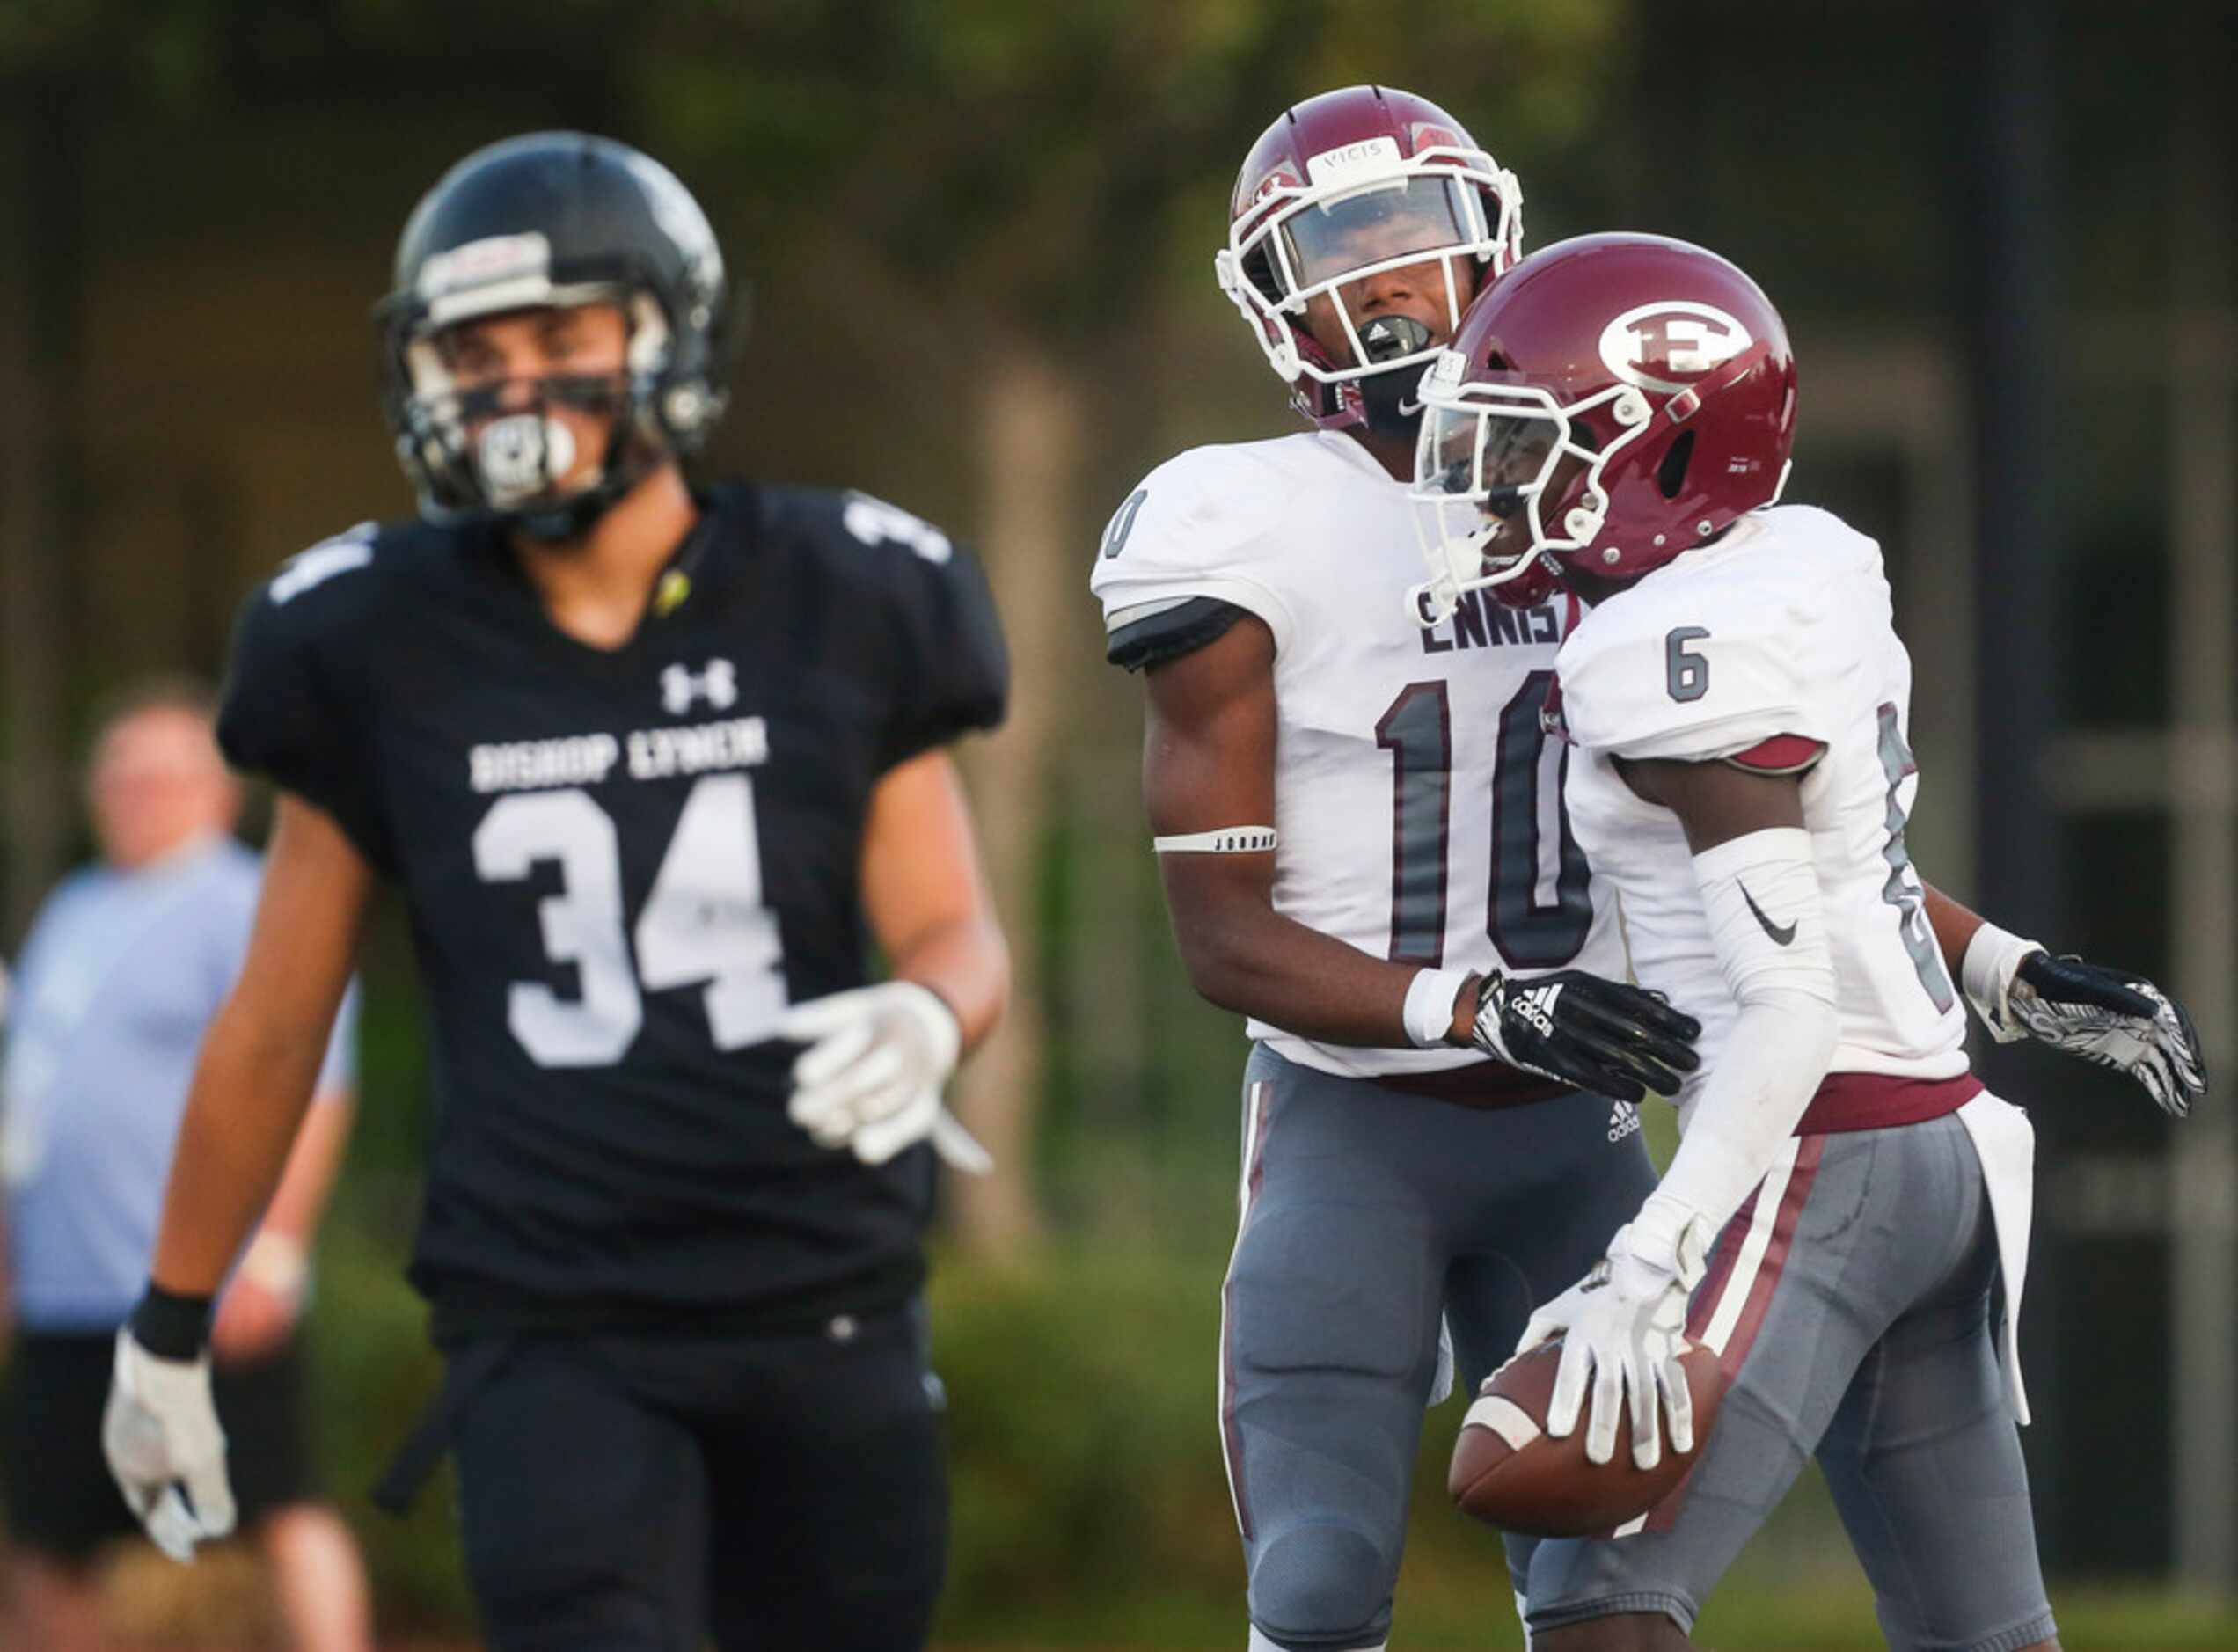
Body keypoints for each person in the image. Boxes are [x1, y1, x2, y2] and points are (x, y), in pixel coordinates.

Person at [99, 132, 1012, 1652]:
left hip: (822, 1288)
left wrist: (932, 1014)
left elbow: (950, 926)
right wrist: (169, 1323)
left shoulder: (836, 590)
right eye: (475, 347)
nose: (514, 383)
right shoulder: (366, 635)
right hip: (550, 1319)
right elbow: (272, 1021)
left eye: (560, 337)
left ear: (666, 338)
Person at [1408, 230, 2205, 1650]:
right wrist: (2004, 968)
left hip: (1820, 1145)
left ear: (1658, 454)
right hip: (1936, 1147)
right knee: (1979, 1630)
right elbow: (1854, 870)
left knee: (1593, 1589)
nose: (1501, 487)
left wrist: (1645, 1264)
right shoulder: (1799, 562)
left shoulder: (1668, 652)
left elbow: (1780, 1007)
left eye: (1538, 448)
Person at [1089, 86, 1706, 1652]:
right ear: (1269, 299)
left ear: (1491, 238)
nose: (1382, 287)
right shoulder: (1239, 525)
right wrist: (1480, 1005)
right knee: (1312, 1588)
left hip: (1577, 1138)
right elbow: (1221, 935)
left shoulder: (1602, 492)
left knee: (1620, 1612)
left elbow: (1767, 814)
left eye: (1411, 241)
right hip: (1345, 1120)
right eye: (1333, 253)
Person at [2, 683, 372, 1652]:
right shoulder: (74, 908)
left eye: (162, 776)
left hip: (193, 1283)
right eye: (120, 774)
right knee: (48, 1533)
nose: (137, 794)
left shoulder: (244, 901)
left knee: (277, 1505)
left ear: (217, 792)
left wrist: (276, 1249)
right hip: (66, 1291)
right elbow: (35, 1098)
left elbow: (315, 1081)